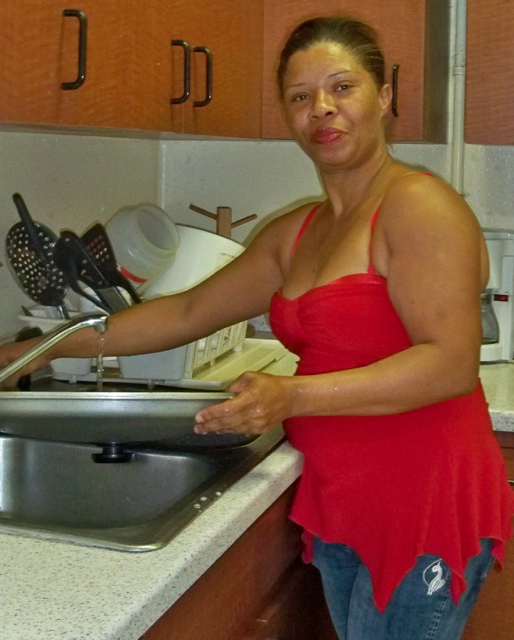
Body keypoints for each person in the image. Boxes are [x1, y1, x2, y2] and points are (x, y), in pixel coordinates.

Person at [1, 15, 513, 640]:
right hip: (341, 500)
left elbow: (450, 362)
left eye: (342, 87)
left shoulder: (419, 206)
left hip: (422, 504)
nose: (321, 109)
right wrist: (38, 350)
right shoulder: (298, 231)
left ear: (384, 97)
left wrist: (291, 395)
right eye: (300, 97)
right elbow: (185, 314)